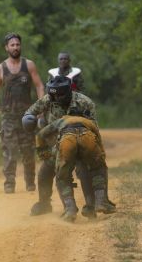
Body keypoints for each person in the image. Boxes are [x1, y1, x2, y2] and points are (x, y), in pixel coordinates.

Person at [23, 75, 115, 217]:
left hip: (70, 146)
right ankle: (46, 203)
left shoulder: (84, 102)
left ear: (67, 93)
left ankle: (75, 207)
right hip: (61, 145)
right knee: (45, 173)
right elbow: (94, 129)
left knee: (74, 172)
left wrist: (43, 152)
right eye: (53, 95)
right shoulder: (48, 99)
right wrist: (28, 119)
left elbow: (41, 135)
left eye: (58, 96)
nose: (55, 99)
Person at [0, 33, 45, 193]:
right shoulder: (0, 68)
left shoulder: (29, 65)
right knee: (9, 151)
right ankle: (9, 183)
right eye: (12, 45)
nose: (15, 47)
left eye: (17, 44)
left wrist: (40, 106)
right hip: (8, 116)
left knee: (28, 151)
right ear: (7, 48)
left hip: (27, 116)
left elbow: (39, 86)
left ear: (21, 46)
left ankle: (30, 182)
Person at [34, 114, 115, 221]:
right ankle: (101, 201)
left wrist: (42, 153)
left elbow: (40, 135)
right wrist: (100, 160)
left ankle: (70, 209)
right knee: (98, 169)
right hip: (87, 138)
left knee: (62, 177)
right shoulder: (88, 122)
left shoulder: (60, 121)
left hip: (67, 140)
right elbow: (98, 140)